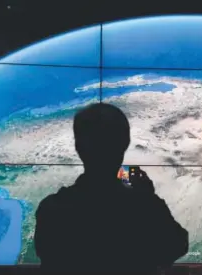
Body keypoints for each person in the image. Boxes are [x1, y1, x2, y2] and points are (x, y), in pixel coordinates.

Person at [34, 103, 189, 273]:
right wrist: (148, 199)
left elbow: (47, 256)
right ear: (125, 143)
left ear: (78, 147)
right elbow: (177, 245)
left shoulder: (52, 210)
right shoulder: (142, 207)